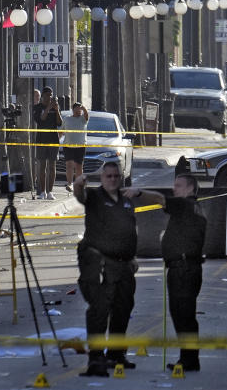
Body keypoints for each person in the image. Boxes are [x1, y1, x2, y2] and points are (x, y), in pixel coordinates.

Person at [73, 160, 160, 376]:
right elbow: (79, 195)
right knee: (99, 310)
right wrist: (78, 183)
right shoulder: (94, 197)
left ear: (120, 178)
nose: (112, 179)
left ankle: (116, 354)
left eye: (115, 176)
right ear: (102, 178)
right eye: (108, 176)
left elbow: (152, 207)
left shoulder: (126, 200)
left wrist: (132, 258)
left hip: (124, 265)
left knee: (122, 310)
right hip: (99, 264)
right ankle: (96, 359)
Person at [162, 172, 207, 372]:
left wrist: (137, 193)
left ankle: (189, 360)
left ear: (190, 188)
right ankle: (189, 358)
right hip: (186, 267)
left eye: (178, 185)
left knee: (183, 315)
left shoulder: (185, 205)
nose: (174, 189)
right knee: (184, 315)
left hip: (183, 269)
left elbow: (159, 200)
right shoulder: (195, 208)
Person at [33, 87, 63, 199]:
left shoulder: (55, 108)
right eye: (48, 95)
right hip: (41, 140)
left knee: (52, 166)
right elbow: (41, 120)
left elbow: (60, 123)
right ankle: (42, 192)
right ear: (43, 96)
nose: (50, 97)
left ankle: (50, 191)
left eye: (51, 95)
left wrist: (57, 110)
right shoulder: (37, 108)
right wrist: (48, 108)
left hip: (53, 140)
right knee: (42, 167)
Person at [62, 101, 89, 190]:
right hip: (68, 146)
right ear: (73, 109)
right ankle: (69, 184)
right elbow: (61, 131)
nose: (79, 111)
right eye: (77, 109)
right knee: (69, 165)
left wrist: (84, 108)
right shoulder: (67, 119)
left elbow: (86, 115)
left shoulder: (83, 119)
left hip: (80, 146)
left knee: (78, 166)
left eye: (80, 109)